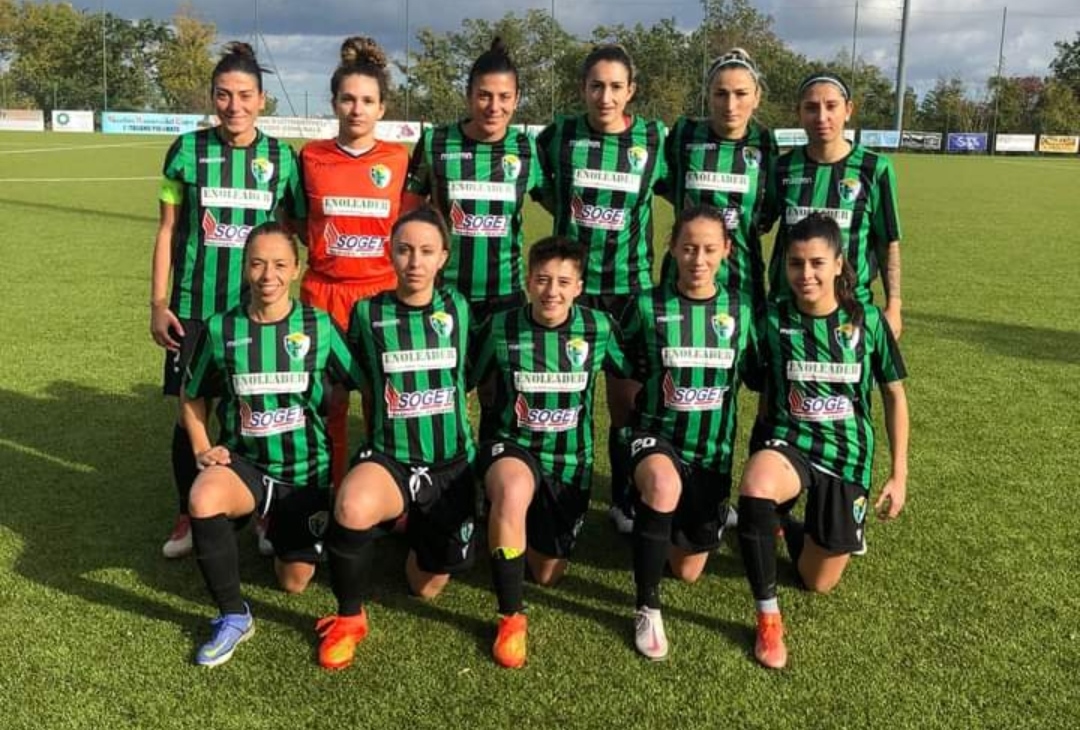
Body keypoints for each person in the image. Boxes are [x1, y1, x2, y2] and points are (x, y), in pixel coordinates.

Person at [181, 222, 360, 667]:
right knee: (203, 497)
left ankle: (274, 527)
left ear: (296, 269)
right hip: (246, 464)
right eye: (258, 263)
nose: (268, 275)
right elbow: (192, 393)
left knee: (294, 581)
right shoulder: (222, 328)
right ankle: (233, 615)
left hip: (304, 471)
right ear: (245, 268)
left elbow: (362, 379)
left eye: (280, 264)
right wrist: (202, 446)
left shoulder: (319, 326)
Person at [151, 41, 304, 559]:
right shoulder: (187, 151)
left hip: (257, 313)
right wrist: (158, 303)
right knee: (190, 412)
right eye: (223, 94)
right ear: (212, 97)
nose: (233, 105)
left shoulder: (282, 158)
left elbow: (290, 231)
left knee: (255, 408)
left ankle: (261, 507)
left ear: (262, 100)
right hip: (194, 308)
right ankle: (187, 510)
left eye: (244, 95)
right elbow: (167, 231)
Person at [736, 212, 908, 670]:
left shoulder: (868, 321)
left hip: (847, 455)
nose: (805, 274)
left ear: (838, 264)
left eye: (816, 263)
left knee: (817, 581)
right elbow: (754, 380)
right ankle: (768, 617)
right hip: (790, 443)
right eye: (796, 263)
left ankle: (789, 525)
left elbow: (894, 396)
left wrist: (899, 475)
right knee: (756, 486)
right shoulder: (772, 320)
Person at [315, 206, 476, 671]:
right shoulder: (368, 312)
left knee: (425, 587)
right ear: (390, 253)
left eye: (426, 251)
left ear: (443, 257)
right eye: (404, 250)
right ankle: (350, 618)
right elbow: (352, 375)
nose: (414, 261)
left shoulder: (459, 309)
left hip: (449, 461)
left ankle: (413, 522)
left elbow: (472, 373)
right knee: (351, 506)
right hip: (391, 457)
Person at [472, 236, 631, 669]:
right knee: (511, 490)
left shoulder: (599, 328)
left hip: (569, 460)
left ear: (579, 286)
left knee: (546, 574)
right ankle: (510, 617)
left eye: (563, 282)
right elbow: (466, 378)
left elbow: (630, 371)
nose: (551, 291)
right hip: (513, 446)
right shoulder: (501, 327)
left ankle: (509, 527)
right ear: (528, 281)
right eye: (542, 280)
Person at [535, 43, 668, 535]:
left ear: (631, 90)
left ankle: (623, 498)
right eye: (596, 86)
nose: (605, 97)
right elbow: (537, 183)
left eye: (615, 87)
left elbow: (676, 188)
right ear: (582, 89)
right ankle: (553, 488)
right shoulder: (560, 134)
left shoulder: (653, 138)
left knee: (625, 402)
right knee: (561, 396)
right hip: (570, 290)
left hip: (629, 290)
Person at [620, 205, 756, 661]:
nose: (699, 259)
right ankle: (647, 607)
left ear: (727, 251)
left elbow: (760, 373)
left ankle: (663, 517)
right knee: (662, 483)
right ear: (673, 248)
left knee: (689, 570)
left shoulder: (741, 310)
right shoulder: (647, 305)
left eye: (709, 249)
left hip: (711, 454)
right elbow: (621, 363)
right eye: (689, 248)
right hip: (657, 439)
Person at [403, 37, 542, 441]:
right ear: (468, 95)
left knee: (497, 399)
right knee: (441, 394)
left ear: (517, 99)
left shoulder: (527, 149)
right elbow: (408, 215)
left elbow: (557, 200)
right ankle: (446, 472)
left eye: (504, 97)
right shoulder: (436, 143)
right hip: (445, 295)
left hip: (504, 297)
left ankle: (491, 471)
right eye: (484, 95)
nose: (494, 106)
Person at [300, 36, 409, 487]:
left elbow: (410, 227)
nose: (356, 109)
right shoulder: (311, 157)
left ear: (382, 108)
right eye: (348, 99)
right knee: (328, 403)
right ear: (334, 103)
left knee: (384, 401)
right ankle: (328, 490)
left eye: (367, 101)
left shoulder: (398, 160)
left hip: (380, 295)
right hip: (323, 295)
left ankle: (386, 490)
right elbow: (295, 223)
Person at [764, 71, 902, 337]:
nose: (821, 117)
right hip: (787, 310)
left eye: (831, 106)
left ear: (848, 110)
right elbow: (756, 223)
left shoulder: (875, 169)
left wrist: (894, 305)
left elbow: (888, 242)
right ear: (799, 112)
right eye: (811, 108)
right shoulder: (781, 168)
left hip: (851, 309)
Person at [663, 47, 775, 314]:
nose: (730, 105)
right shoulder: (685, 134)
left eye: (741, 94)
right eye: (721, 94)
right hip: (682, 275)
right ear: (708, 95)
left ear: (757, 97)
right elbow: (663, 184)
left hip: (743, 279)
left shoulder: (764, 142)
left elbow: (768, 211)